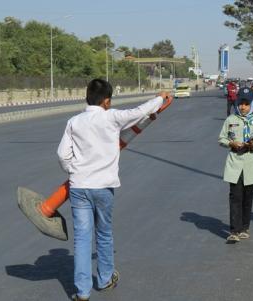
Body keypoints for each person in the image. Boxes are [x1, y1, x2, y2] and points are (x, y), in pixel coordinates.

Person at [56, 79, 167, 301]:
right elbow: (140, 112)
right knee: (104, 234)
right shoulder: (112, 117)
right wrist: (160, 98)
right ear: (106, 101)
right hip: (104, 186)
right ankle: (105, 279)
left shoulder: (74, 122)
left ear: (87, 97)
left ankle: (82, 291)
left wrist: (74, 171)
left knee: (82, 238)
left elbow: (62, 154)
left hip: (79, 187)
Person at [220, 87, 253, 243]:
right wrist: (231, 143)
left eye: (246, 104)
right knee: (235, 197)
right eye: (240, 103)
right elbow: (222, 139)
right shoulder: (230, 120)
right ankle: (234, 230)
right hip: (235, 164)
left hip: (250, 164)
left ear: (252, 104)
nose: (243, 107)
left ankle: (245, 227)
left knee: (247, 198)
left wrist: (252, 145)